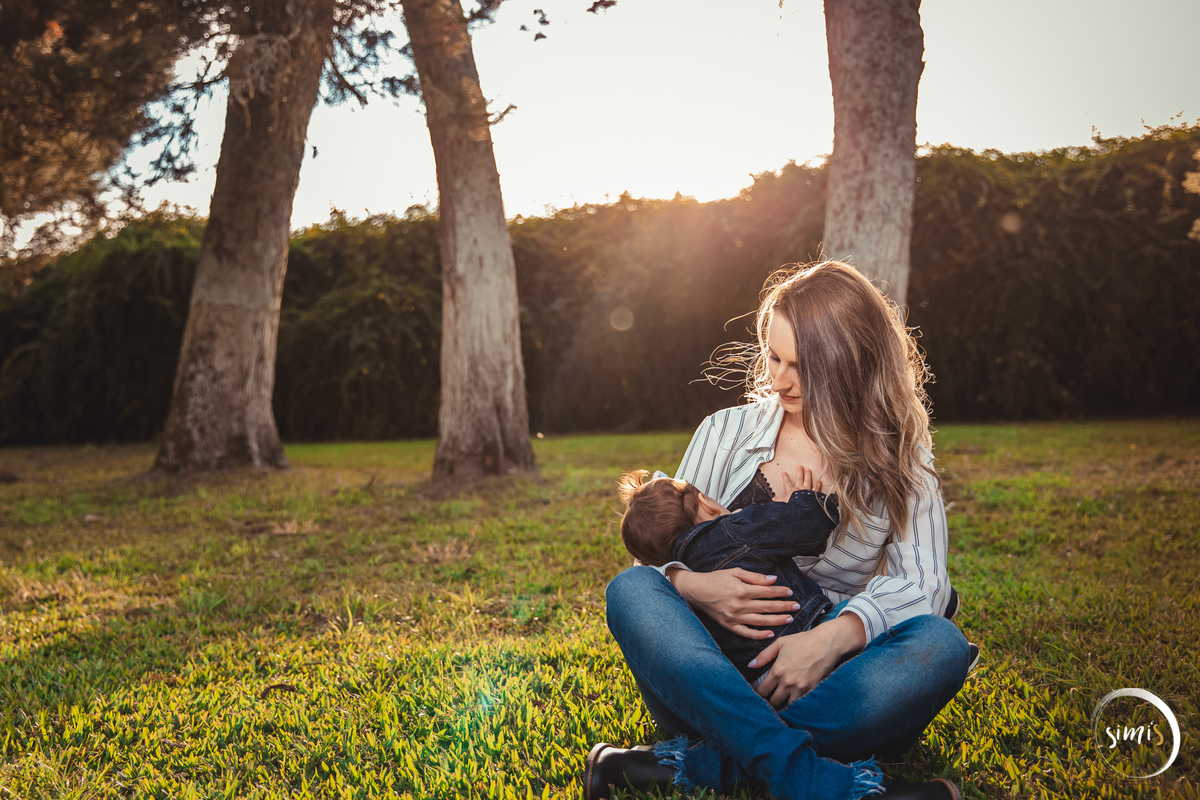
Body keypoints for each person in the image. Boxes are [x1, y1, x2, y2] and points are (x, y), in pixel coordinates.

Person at [585, 262, 972, 800]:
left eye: (802, 366)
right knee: (630, 589)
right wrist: (694, 586)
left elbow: (925, 586)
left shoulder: (903, 458)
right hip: (713, 678)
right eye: (774, 357)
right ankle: (825, 779)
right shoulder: (724, 431)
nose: (779, 380)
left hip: (829, 682)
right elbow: (651, 557)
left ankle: (698, 764)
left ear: (853, 363)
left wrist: (828, 640)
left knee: (941, 644)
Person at [616, 466, 838, 684]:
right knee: (852, 615)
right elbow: (810, 524)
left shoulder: (679, 589)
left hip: (751, 676)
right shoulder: (734, 530)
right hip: (804, 634)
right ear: (707, 504)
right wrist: (799, 499)